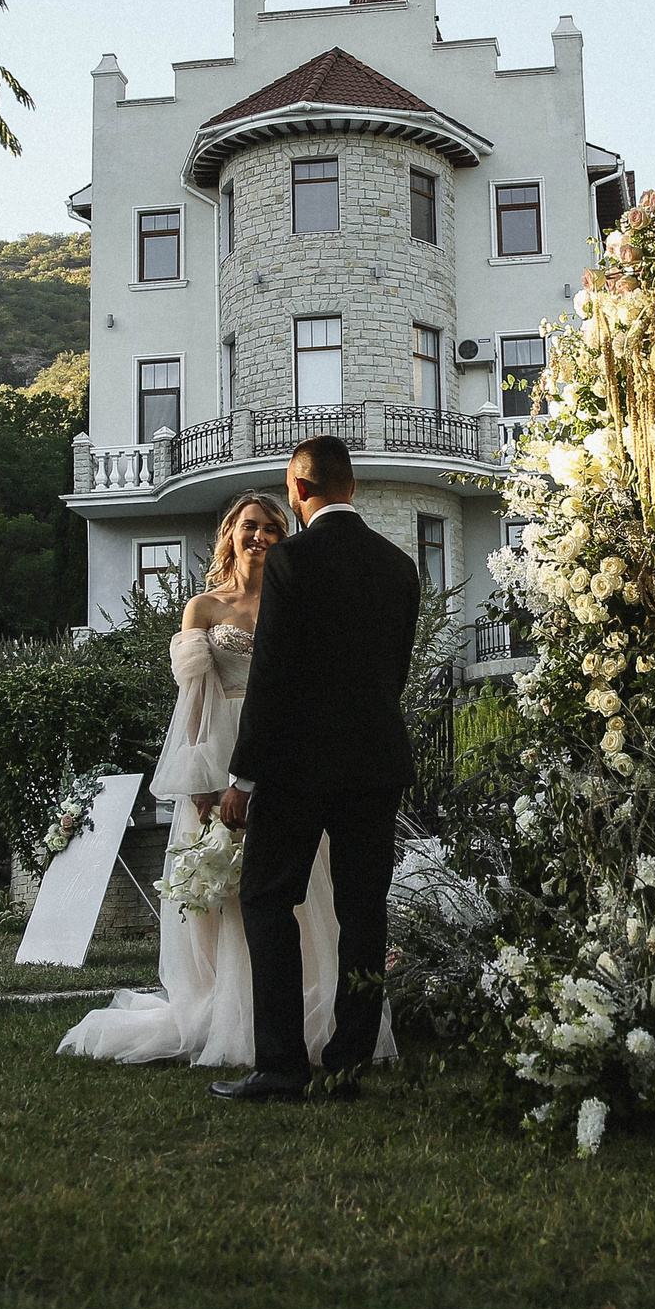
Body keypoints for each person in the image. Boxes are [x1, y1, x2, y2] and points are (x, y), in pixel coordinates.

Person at [56, 491, 397, 1070]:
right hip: (222, 755)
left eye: (271, 527)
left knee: (300, 895)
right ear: (229, 535)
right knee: (234, 901)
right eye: (248, 527)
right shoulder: (204, 609)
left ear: (285, 539)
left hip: (290, 758)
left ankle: (310, 1020)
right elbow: (191, 705)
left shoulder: (298, 602)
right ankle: (231, 1015)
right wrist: (202, 781)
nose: (259, 536)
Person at [210, 437, 422, 1103]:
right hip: (375, 761)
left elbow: (270, 676)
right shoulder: (400, 566)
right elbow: (394, 672)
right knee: (365, 911)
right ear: (350, 486)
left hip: (298, 767)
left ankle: (281, 1066)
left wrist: (242, 779)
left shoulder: (290, 562)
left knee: (268, 899)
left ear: (297, 489)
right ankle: (350, 1063)